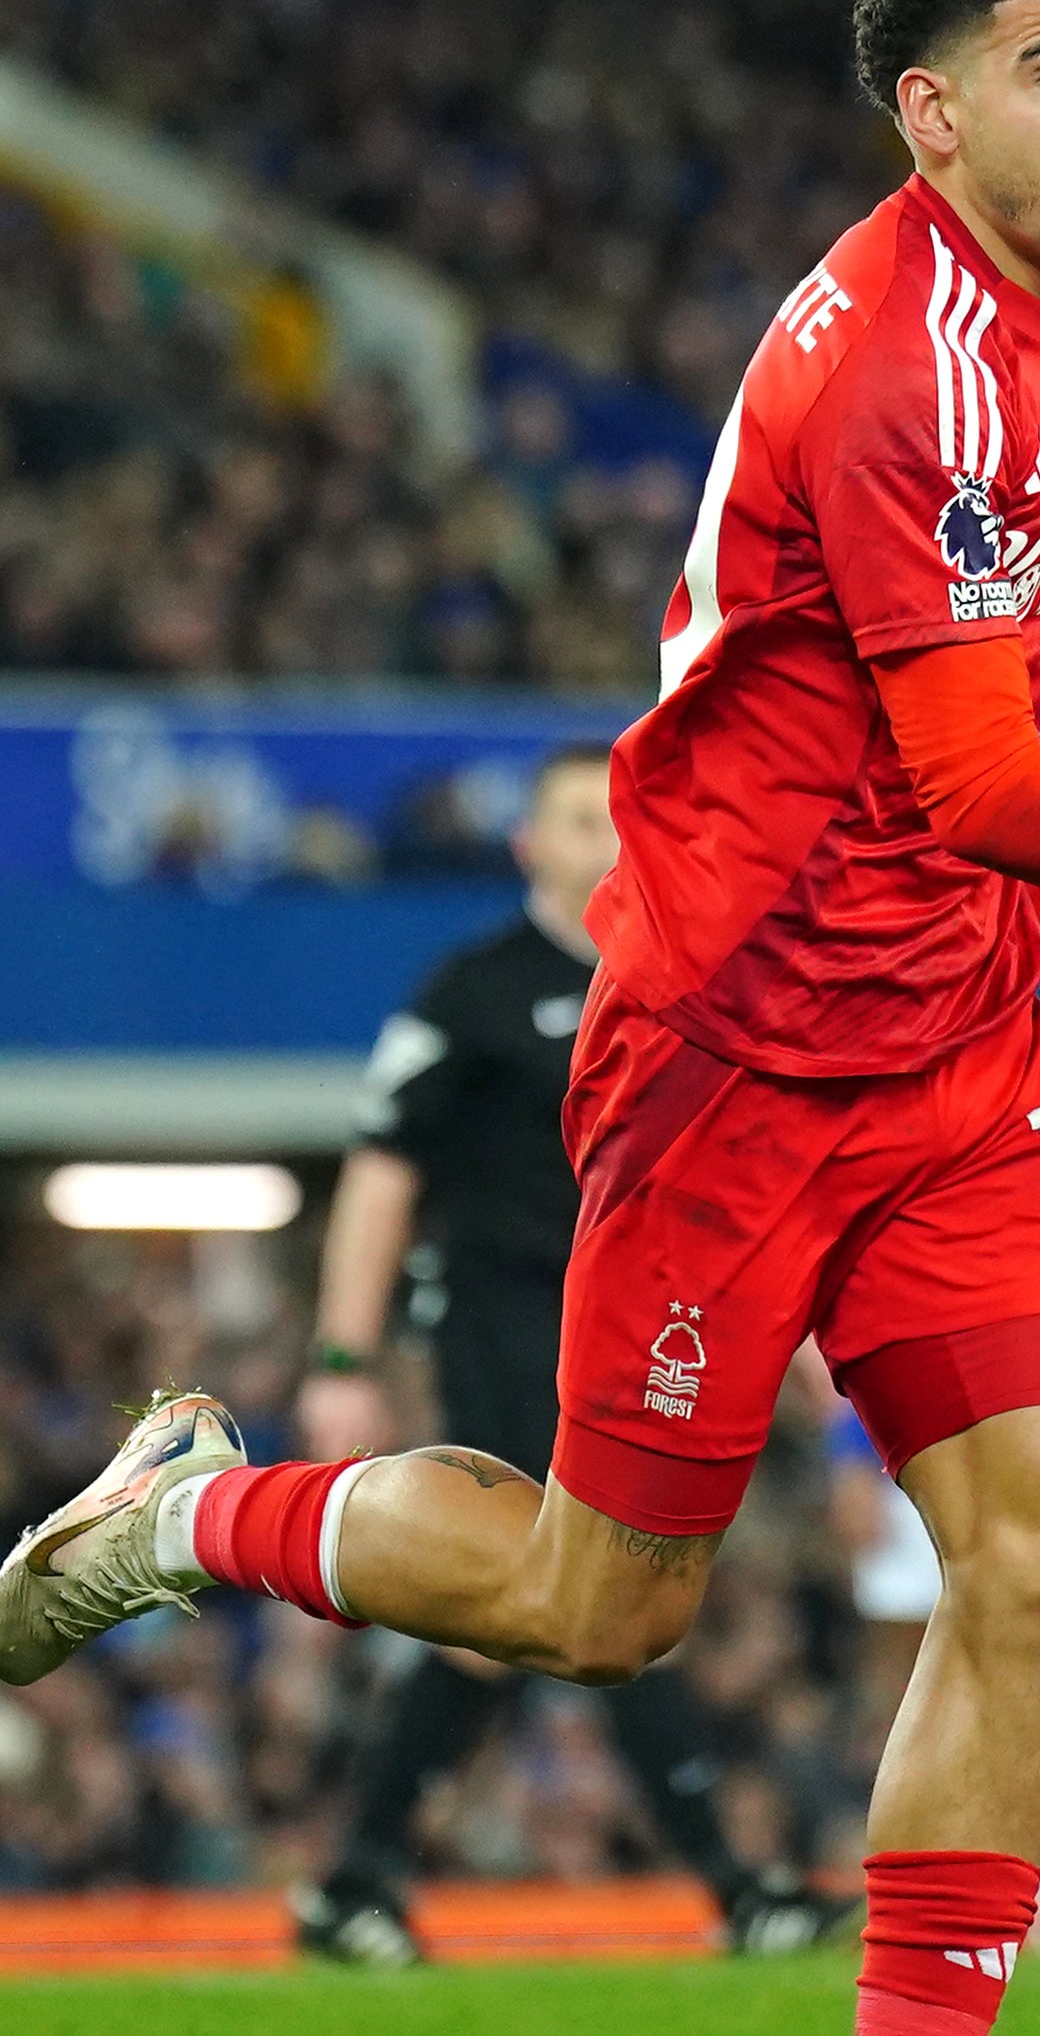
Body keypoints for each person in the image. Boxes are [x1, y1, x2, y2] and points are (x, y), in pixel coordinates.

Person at [0, 0, 1040, 2036]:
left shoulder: (1030, 336)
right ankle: (182, 1514)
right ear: (933, 106)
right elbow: (970, 768)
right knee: (601, 1606)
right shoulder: (901, 359)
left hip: (952, 1042)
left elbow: (935, 746)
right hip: (736, 1051)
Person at [285, 742, 837, 1967]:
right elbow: (383, 1172)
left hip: (648, 1326)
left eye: (622, 819)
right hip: (501, 1316)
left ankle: (352, 1880)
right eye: (578, 821)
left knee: (520, 1616)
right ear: (530, 845)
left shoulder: (690, 984)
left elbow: (737, 1183)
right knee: (599, 1578)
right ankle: (738, 1887)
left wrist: (791, 1324)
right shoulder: (472, 991)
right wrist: (342, 1356)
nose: (606, 841)